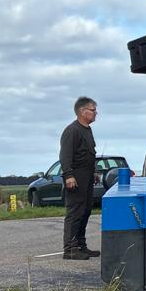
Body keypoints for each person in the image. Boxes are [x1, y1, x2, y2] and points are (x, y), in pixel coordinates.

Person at [60, 96, 99, 259]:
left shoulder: (87, 130)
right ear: (82, 111)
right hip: (76, 177)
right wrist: (69, 175)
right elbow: (65, 155)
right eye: (93, 110)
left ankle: (81, 245)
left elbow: (89, 153)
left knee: (86, 210)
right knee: (75, 212)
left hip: (87, 176)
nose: (96, 113)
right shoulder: (72, 130)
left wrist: (94, 171)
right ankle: (70, 249)